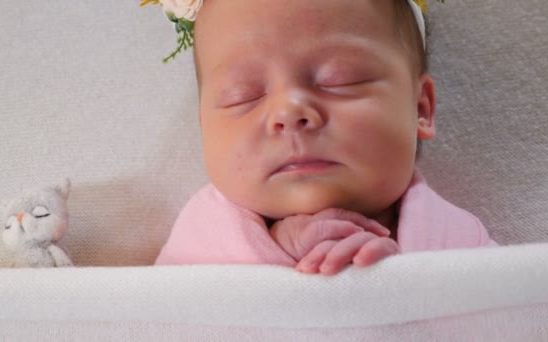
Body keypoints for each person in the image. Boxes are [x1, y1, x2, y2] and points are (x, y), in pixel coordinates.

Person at [147, 0, 498, 275]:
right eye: (243, 94)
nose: (289, 112)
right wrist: (276, 250)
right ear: (204, 128)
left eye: (340, 79)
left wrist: (401, 288)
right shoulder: (202, 237)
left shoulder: (458, 243)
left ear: (420, 108)